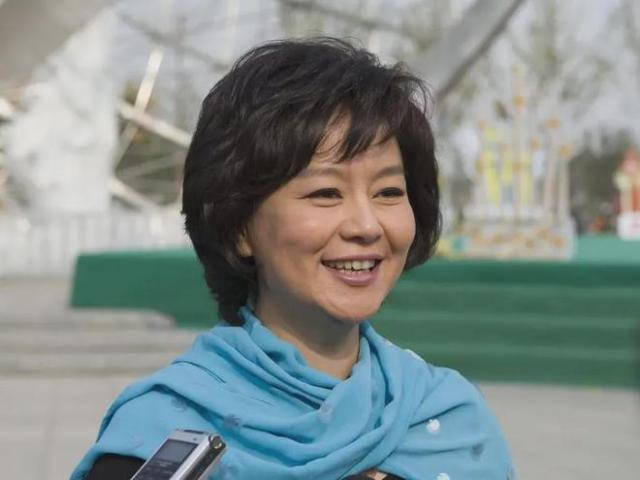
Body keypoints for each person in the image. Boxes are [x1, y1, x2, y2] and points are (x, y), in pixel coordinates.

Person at [71, 37, 515, 480]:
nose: (366, 226)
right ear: (239, 226)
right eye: (326, 192)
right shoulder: (158, 435)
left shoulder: (451, 425)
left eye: (388, 192)